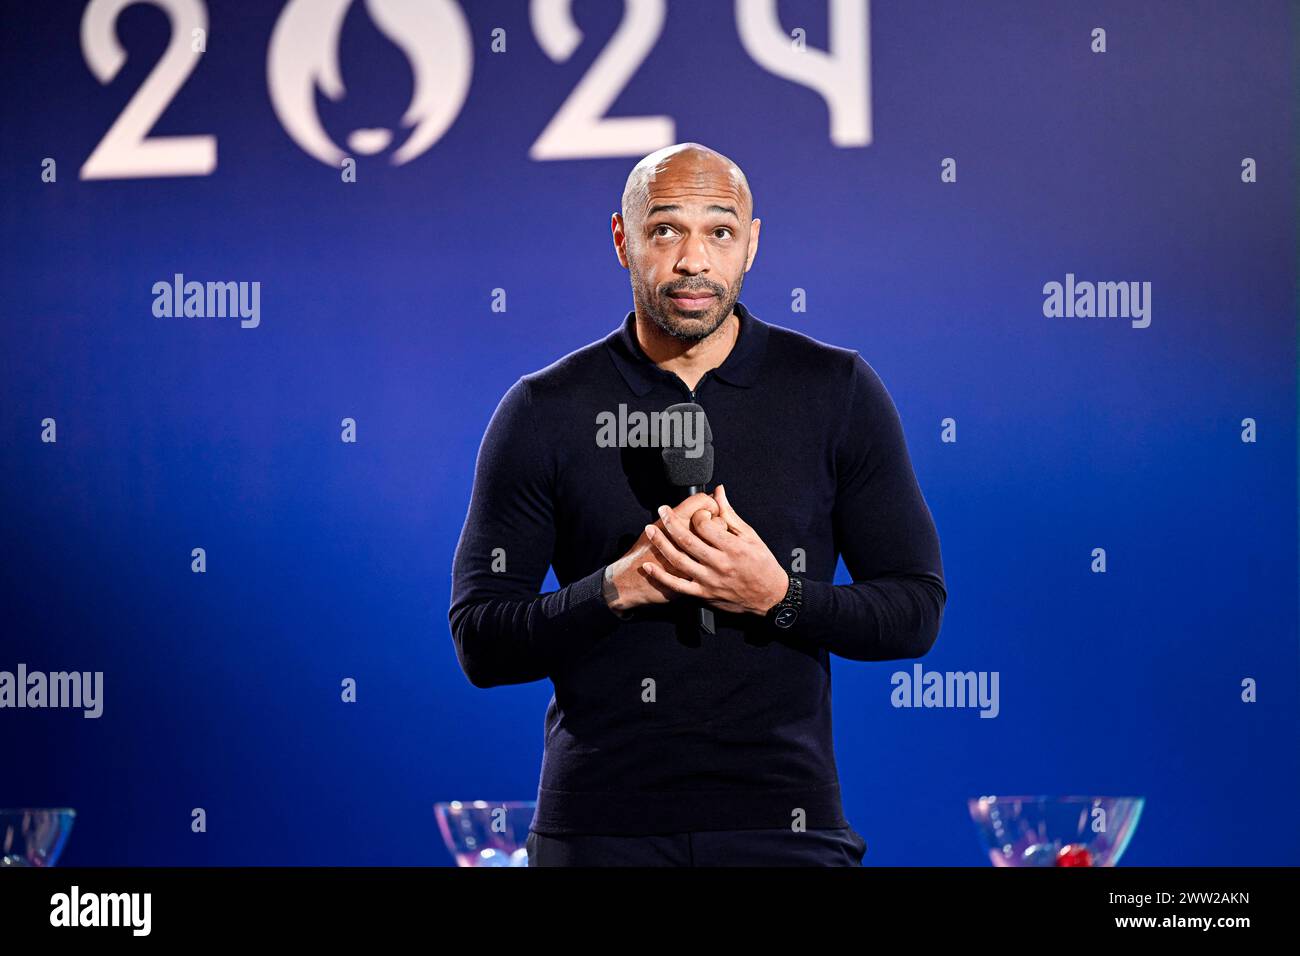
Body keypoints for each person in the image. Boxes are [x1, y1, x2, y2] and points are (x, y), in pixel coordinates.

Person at [449, 143, 946, 866]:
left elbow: (914, 613)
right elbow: (481, 640)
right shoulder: (544, 409)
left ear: (752, 244)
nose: (693, 260)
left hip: (784, 826)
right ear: (623, 241)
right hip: (598, 830)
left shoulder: (833, 389)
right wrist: (613, 590)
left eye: (719, 230)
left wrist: (777, 595)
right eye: (664, 230)